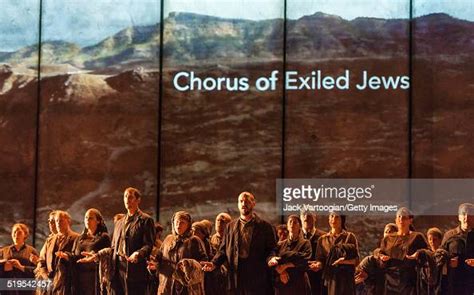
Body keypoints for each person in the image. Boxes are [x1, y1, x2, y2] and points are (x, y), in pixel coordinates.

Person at [83, 187, 155, 295]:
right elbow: (113, 248)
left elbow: (148, 245)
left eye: (130, 197)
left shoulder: (145, 220)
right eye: (125, 196)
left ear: (138, 200)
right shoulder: (119, 223)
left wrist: (138, 254)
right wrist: (97, 255)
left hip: (134, 271)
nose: (127, 199)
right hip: (117, 270)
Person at [202, 191, 277, 294]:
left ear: (253, 203)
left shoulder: (265, 227)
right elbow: (223, 250)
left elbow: (272, 249)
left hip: (257, 277)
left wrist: (271, 258)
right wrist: (214, 264)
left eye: (247, 201)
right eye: (241, 201)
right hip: (236, 277)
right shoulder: (230, 227)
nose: (243, 204)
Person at [376, 207, 429, 294]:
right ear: (395, 220)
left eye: (404, 217)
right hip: (390, 281)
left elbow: (428, 253)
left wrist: (418, 253)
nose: (401, 220)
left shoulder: (417, 237)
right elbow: (380, 253)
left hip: (409, 281)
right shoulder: (388, 238)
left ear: (410, 220)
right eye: (399, 217)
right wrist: (381, 257)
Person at [156, 211, 208, 294]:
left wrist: (189, 265)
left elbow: (202, 262)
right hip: (167, 286)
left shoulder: (194, 241)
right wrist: (154, 265)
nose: (178, 225)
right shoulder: (168, 240)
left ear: (188, 225)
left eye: (182, 222)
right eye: (176, 222)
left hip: (187, 287)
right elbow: (158, 258)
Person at [61, 208, 110, 295]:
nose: (87, 220)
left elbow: (108, 256)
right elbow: (75, 256)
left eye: (91, 218)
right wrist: (67, 256)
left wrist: (95, 256)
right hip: (79, 278)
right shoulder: (80, 238)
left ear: (98, 221)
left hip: (95, 278)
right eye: (86, 218)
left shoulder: (103, 237)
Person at [313, 212, 359, 295]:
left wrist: (343, 261)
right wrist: (318, 265)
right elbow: (320, 260)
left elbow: (356, 260)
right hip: (330, 281)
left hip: (346, 281)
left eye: (337, 217)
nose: (333, 219)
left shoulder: (350, 237)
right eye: (332, 216)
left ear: (342, 220)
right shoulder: (322, 239)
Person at [268, 215, 312, 295]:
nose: (292, 224)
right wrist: (281, 270)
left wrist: (285, 265)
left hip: (299, 282)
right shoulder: (280, 244)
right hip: (283, 283)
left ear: (300, 226)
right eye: (290, 222)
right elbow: (271, 257)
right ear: (287, 226)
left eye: (295, 222)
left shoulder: (306, 243)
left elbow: (305, 259)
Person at [441, 203, 474, 295]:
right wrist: (448, 262)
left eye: (470, 215)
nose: (466, 218)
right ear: (459, 217)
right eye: (464, 214)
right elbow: (439, 256)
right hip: (455, 284)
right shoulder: (449, 235)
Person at [0, 223, 39, 295]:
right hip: (7, 290)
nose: (16, 234)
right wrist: (4, 266)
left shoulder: (32, 251)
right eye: (14, 232)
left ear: (25, 235)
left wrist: (21, 267)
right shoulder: (3, 251)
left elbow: (38, 271)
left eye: (19, 232)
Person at [301, 211, 326, 295]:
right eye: (303, 215)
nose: (306, 218)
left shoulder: (323, 237)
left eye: (309, 216)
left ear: (315, 217)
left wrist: (321, 264)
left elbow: (328, 257)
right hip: (299, 279)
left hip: (318, 279)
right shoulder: (295, 236)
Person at [34, 210, 57, 295]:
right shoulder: (49, 239)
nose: (50, 223)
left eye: (53, 221)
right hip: (43, 280)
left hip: (52, 279)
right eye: (49, 221)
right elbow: (42, 259)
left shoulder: (62, 240)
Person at [208, 212, 232, 295]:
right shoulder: (210, 240)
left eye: (222, 221)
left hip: (230, 276)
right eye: (217, 220)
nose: (219, 223)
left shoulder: (232, 240)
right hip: (215, 276)